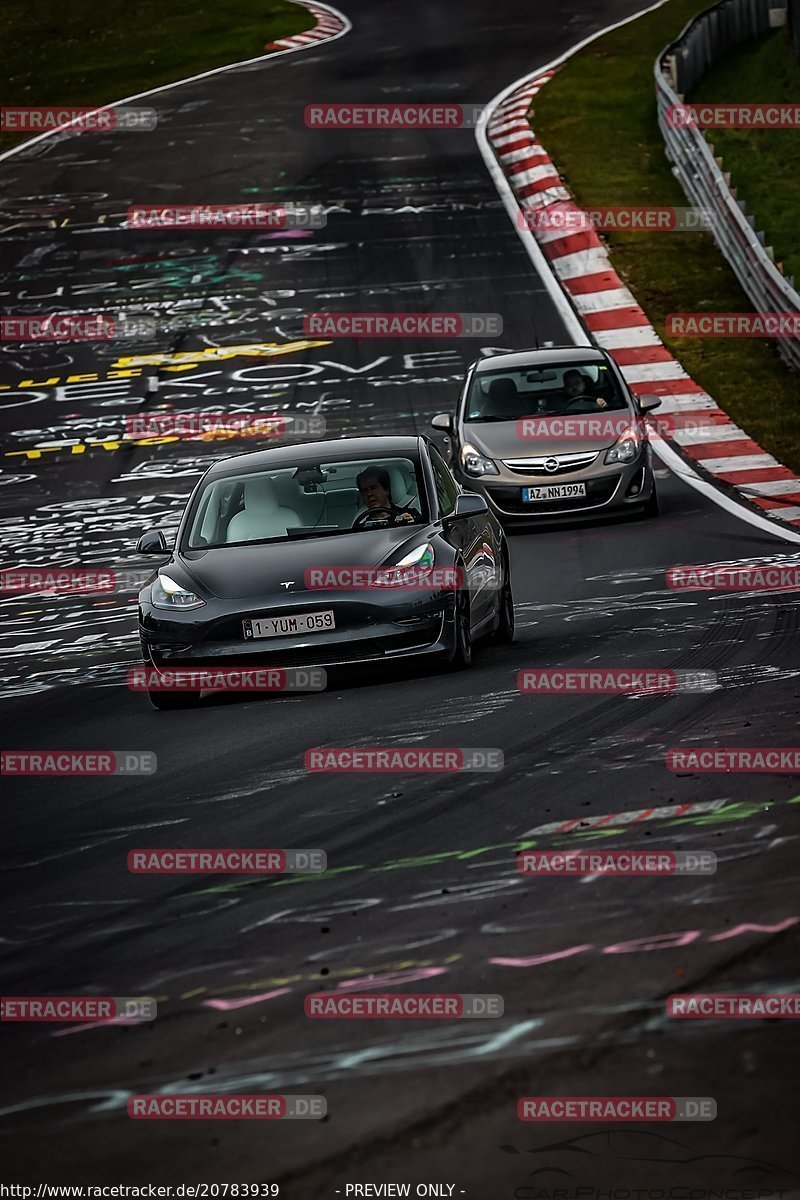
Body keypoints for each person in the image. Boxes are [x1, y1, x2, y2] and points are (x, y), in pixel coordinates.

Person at [355, 466, 420, 524]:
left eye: (373, 488)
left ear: (386, 490)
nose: (369, 494)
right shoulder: (361, 526)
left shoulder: (411, 515)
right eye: (365, 490)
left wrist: (411, 524)